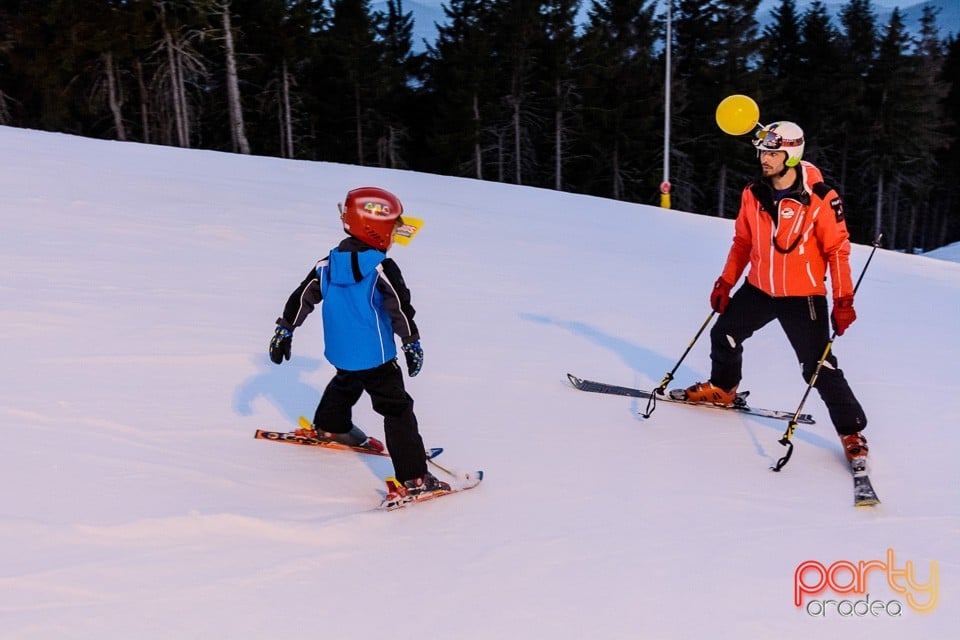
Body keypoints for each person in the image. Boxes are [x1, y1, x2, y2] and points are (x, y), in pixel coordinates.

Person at [673, 121, 869, 466]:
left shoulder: (822, 198)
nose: (764, 158)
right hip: (759, 288)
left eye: (773, 152)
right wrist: (725, 282)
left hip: (803, 295)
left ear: (791, 154)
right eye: (762, 151)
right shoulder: (753, 192)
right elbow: (743, 242)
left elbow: (838, 250)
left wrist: (843, 300)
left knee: (817, 366)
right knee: (725, 334)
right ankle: (724, 389)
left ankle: (851, 431)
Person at [267, 186, 449, 498]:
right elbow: (400, 308)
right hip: (376, 356)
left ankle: (331, 425)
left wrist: (285, 329)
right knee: (396, 409)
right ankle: (415, 477)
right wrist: (411, 342)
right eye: (392, 228)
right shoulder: (381, 268)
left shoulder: (328, 264)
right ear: (375, 230)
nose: (395, 235)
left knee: (347, 379)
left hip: (341, 352)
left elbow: (301, 297)